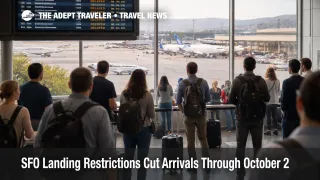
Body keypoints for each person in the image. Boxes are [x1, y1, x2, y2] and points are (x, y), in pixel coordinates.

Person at [34, 67, 116, 180]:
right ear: (91, 86)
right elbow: (107, 152)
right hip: (88, 174)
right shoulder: (99, 112)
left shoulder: (51, 109)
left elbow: (38, 144)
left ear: (69, 84)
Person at [247, 71, 320, 180]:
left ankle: (270, 129)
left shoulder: (273, 155)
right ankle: (275, 128)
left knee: (269, 118)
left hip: (269, 103)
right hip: (275, 100)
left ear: (299, 103)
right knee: (275, 117)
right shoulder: (278, 81)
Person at [229, 57, 270, 180]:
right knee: (257, 145)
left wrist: (240, 103)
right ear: (255, 66)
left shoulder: (237, 81)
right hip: (257, 118)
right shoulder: (261, 81)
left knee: (240, 145)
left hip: (242, 118)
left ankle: (240, 171)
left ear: (244, 66)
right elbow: (267, 98)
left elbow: (231, 100)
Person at [120, 69, 155, 180]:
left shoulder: (124, 94)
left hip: (128, 129)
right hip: (143, 129)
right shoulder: (147, 95)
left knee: (128, 158)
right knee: (142, 159)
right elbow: (152, 114)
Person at [176, 62, 211, 173]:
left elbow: (178, 102)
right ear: (196, 70)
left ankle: (192, 165)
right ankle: (206, 165)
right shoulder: (203, 82)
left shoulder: (182, 83)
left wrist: (184, 112)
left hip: (188, 117)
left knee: (190, 141)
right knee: (203, 139)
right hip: (201, 116)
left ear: (187, 70)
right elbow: (208, 99)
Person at [18, 63, 52, 130]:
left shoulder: (20, 88)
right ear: (41, 74)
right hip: (39, 123)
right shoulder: (44, 90)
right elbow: (48, 110)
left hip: (23, 122)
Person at [0, 80, 35, 145]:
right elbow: (29, 135)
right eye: (18, 90)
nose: (19, 92)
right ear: (13, 92)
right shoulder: (23, 111)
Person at [281, 59, 304, 138]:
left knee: (287, 143)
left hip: (289, 116)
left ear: (290, 69)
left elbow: (284, 101)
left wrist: (283, 109)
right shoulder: (304, 81)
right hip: (301, 116)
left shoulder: (286, 82)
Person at [264, 67, 281, 136]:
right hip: (275, 101)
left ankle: (268, 130)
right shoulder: (277, 80)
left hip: (268, 101)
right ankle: (275, 129)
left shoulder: (265, 80)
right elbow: (278, 90)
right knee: (274, 116)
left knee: (268, 116)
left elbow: (264, 91)